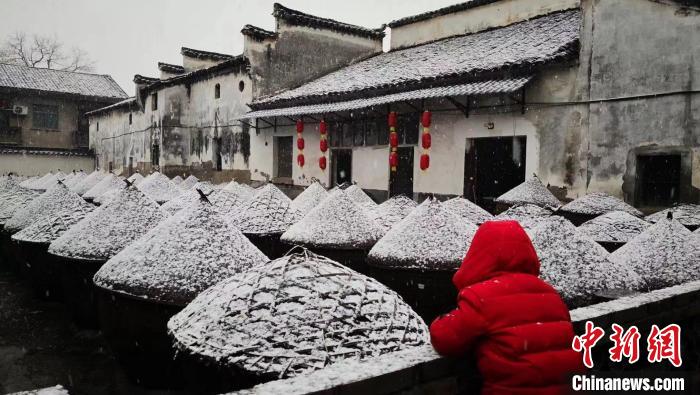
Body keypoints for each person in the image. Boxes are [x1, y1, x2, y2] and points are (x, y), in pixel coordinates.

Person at [430, 220, 584, 395]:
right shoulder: (550, 293)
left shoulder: (482, 297)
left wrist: (440, 320)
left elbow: (446, 338)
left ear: (479, 255)